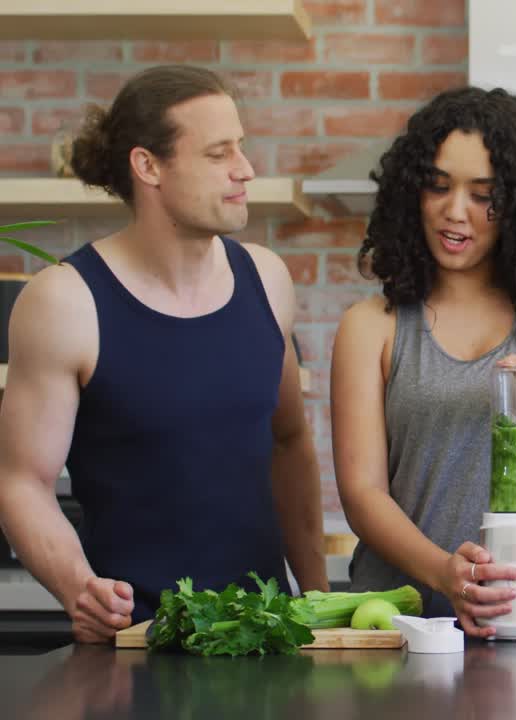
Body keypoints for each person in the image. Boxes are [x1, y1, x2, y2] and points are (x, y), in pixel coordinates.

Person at [0, 65, 326, 643]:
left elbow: (290, 441)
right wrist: (78, 586)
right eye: (219, 154)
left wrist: (319, 598)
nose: (245, 170)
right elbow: (21, 481)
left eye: (241, 150)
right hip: (133, 645)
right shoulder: (64, 302)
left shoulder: (267, 280)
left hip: (266, 639)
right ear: (148, 165)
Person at [332, 86, 516, 638]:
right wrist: (447, 576)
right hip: (403, 629)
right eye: (438, 187)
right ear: (412, 192)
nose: (455, 211)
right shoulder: (371, 324)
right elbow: (362, 493)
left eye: (483, 193)